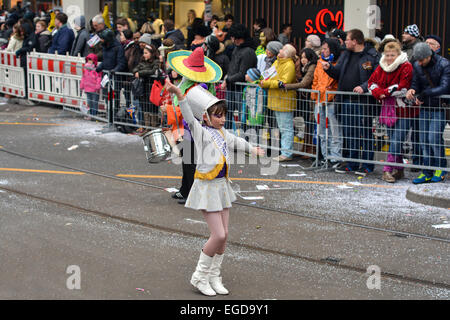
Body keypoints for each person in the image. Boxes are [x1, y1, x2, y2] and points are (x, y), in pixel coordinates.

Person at [165, 81, 265, 297]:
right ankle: (199, 276)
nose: (222, 119)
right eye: (218, 115)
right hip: (206, 188)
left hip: (221, 186)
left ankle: (214, 276)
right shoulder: (200, 132)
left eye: (223, 115)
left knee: (225, 234)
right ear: (207, 117)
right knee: (218, 234)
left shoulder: (222, 133)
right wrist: (179, 94)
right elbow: (188, 117)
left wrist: (253, 149)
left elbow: (237, 141)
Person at [166, 47, 223, 205]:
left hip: (193, 128)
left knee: (191, 161)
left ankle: (191, 193)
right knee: (188, 160)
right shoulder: (194, 82)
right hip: (189, 126)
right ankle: (185, 189)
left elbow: (190, 106)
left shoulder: (199, 86)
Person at [322, 29, 380, 176]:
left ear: (355, 41)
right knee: (350, 133)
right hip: (345, 99)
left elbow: (377, 77)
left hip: (363, 102)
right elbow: (338, 73)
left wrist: (364, 87)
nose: (345, 42)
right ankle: (352, 163)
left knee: (365, 133)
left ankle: (367, 165)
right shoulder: (346, 55)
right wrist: (330, 69)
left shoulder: (371, 55)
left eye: (347, 39)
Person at [368, 41, 416, 183]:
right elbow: (371, 83)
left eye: (392, 55)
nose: (390, 58)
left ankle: (387, 169)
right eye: (387, 55)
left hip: (404, 110)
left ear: (398, 54)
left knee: (396, 140)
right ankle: (399, 169)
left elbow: (403, 87)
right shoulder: (381, 66)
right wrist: (379, 93)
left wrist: (383, 92)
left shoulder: (406, 66)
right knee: (394, 140)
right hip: (388, 109)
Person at [406, 43, 450, 184]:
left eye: (422, 60)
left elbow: (445, 87)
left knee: (433, 139)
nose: (419, 63)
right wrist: (412, 90)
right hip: (424, 107)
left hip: (439, 107)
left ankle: (440, 168)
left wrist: (424, 94)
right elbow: (415, 83)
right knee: (424, 140)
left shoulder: (444, 64)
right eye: (417, 60)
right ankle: (427, 171)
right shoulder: (418, 66)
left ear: (429, 56)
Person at [260, 44, 297, 162]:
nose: (280, 50)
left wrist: (267, 83)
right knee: (282, 128)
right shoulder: (277, 62)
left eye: (283, 49)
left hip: (284, 100)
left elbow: (284, 82)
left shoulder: (289, 65)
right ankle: (285, 151)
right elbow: (267, 76)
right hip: (276, 99)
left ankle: (287, 152)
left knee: (286, 128)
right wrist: (266, 81)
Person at [310, 38, 342, 167]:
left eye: (325, 48)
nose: (323, 51)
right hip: (320, 99)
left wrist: (330, 94)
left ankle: (335, 157)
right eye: (322, 48)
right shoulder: (319, 62)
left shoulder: (338, 62)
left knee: (335, 131)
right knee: (321, 131)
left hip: (331, 99)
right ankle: (325, 155)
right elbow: (316, 80)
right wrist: (315, 94)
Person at [220, 23, 257, 130]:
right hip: (233, 87)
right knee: (227, 115)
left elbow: (242, 73)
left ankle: (244, 138)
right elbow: (233, 67)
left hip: (242, 89)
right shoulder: (237, 49)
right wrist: (228, 77)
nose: (232, 40)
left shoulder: (248, 52)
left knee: (243, 116)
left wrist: (227, 79)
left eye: (234, 37)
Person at [284, 48, 318, 159]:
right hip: (306, 99)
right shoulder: (304, 67)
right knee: (307, 124)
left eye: (305, 57)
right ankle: (306, 148)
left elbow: (304, 83)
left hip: (311, 99)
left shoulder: (312, 67)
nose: (303, 59)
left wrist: (287, 86)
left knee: (311, 124)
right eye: (301, 57)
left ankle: (311, 149)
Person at [132, 44, 161, 129]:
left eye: (146, 53)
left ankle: (153, 127)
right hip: (143, 88)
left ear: (151, 53)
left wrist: (140, 73)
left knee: (152, 108)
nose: (144, 55)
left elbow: (152, 71)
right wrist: (138, 72)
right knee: (145, 108)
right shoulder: (142, 61)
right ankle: (147, 127)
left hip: (152, 88)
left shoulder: (156, 61)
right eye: (143, 53)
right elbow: (134, 69)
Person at [80, 53, 102, 119]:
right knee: (89, 102)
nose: (89, 61)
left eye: (91, 60)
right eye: (88, 60)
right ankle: (90, 114)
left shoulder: (96, 69)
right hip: (87, 88)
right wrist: (82, 85)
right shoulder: (85, 69)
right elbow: (83, 77)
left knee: (95, 102)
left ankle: (94, 114)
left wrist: (98, 86)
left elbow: (99, 78)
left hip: (94, 89)